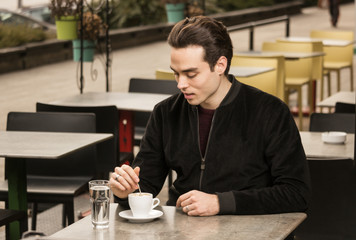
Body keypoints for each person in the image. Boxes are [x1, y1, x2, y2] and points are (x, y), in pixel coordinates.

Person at [110, 16, 311, 217]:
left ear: (220, 65)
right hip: (183, 230)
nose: (180, 84)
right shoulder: (166, 113)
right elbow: (144, 186)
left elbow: (296, 194)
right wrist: (125, 192)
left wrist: (219, 203)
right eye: (176, 73)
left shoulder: (270, 112)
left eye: (191, 74)